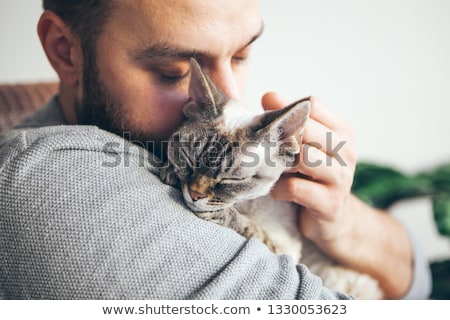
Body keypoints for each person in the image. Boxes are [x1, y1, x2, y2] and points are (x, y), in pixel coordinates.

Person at [0, 0, 431, 299]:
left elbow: (418, 284)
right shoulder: (51, 181)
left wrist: (341, 222)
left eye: (242, 54)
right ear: (64, 50)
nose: (228, 97)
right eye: (175, 72)